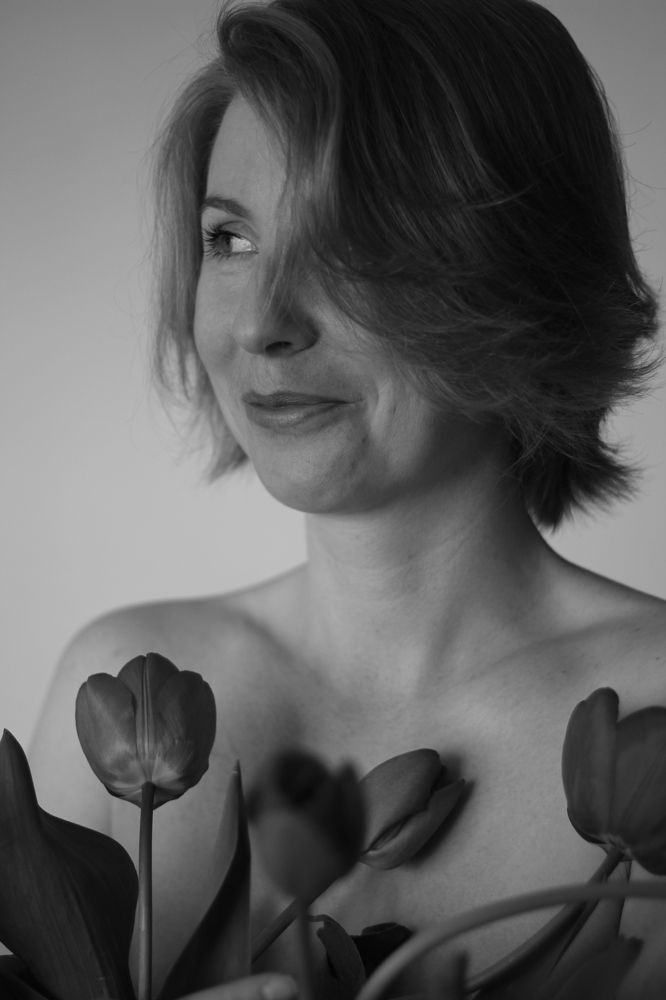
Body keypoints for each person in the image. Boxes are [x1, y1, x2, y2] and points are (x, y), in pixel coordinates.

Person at [29, 0, 665, 997]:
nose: (263, 326)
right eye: (230, 239)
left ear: (520, 275)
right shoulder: (120, 678)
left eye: (347, 244)